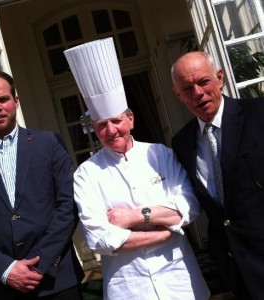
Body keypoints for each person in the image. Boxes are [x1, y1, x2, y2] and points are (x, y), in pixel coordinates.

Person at [64, 38, 210, 300]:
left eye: (116, 121)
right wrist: (167, 231)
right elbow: (99, 239)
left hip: (179, 279)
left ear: (130, 119)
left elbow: (189, 208)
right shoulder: (87, 174)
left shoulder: (161, 154)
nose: (110, 131)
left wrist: (133, 218)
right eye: (101, 125)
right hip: (127, 286)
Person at [0, 70, 84, 299]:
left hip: (56, 280)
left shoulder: (48, 144)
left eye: (3, 99)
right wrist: (6, 270)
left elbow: (68, 206)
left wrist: (41, 263)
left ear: (16, 101)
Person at [171, 51, 264, 299]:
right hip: (237, 268)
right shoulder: (182, 143)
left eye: (203, 81)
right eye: (187, 89)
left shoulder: (258, 114)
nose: (198, 93)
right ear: (178, 96)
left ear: (219, 78)